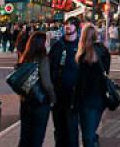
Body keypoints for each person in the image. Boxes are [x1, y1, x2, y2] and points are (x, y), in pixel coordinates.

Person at [74, 23, 111, 147]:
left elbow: (81, 83)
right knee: (92, 131)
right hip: (101, 98)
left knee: (87, 135)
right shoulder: (104, 51)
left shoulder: (84, 56)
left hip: (87, 99)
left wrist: (75, 102)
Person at [17, 31, 56, 147]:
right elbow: (46, 83)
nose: (48, 44)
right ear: (42, 44)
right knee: (37, 137)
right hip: (40, 101)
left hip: (25, 101)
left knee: (25, 136)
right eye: (47, 41)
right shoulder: (43, 59)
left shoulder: (25, 57)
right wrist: (53, 98)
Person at [49, 17, 81, 147]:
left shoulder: (80, 47)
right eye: (66, 24)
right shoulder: (57, 46)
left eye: (71, 24)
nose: (68, 26)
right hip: (58, 95)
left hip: (73, 95)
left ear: (77, 28)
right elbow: (50, 67)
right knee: (59, 129)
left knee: (72, 129)